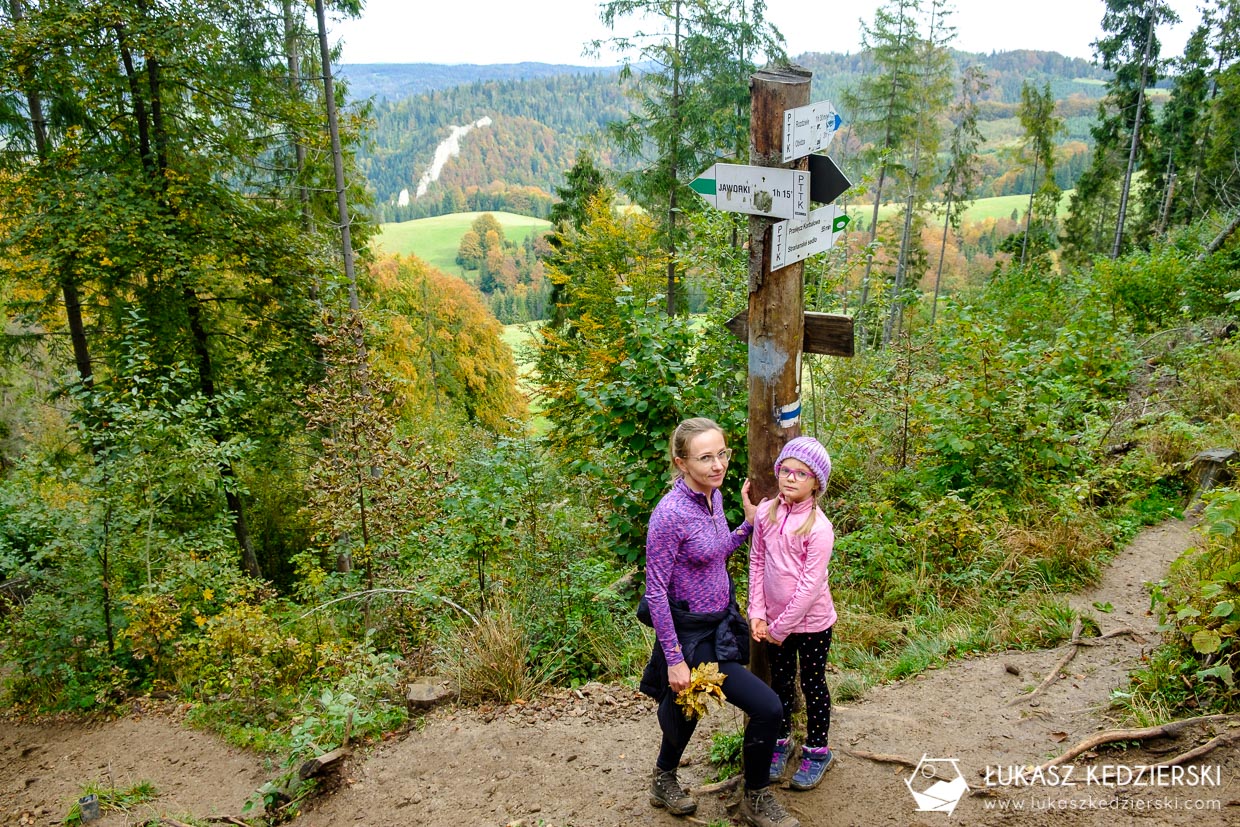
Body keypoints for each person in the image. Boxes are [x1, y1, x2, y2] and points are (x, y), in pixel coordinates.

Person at [640, 417, 800, 827]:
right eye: (705, 457)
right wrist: (675, 658)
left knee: (687, 707)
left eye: (722, 454)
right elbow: (655, 591)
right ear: (681, 462)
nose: (717, 465)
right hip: (691, 634)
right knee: (767, 707)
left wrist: (746, 524)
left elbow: (713, 553)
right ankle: (756, 799)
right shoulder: (669, 515)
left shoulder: (711, 496)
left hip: (720, 622)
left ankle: (663, 777)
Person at [748, 435, 838, 792]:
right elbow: (757, 562)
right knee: (780, 684)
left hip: (812, 624)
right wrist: (757, 612)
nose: (790, 477)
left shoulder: (819, 528)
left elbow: (809, 588)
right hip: (771, 625)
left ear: (816, 482)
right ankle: (780, 743)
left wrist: (779, 628)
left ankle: (817, 751)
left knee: (812, 684)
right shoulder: (768, 513)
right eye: (786, 469)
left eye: (801, 473)